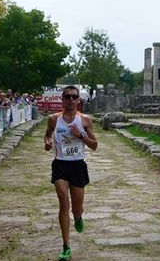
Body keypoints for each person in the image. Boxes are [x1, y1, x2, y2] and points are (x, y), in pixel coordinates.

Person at [44, 85, 98, 261]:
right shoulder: (53, 119)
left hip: (77, 166)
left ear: (78, 100)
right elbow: (47, 135)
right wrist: (48, 142)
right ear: (62, 99)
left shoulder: (85, 120)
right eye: (67, 96)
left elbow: (94, 145)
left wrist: (80, 135)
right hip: (60, 165)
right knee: (63, 204)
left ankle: (78, 216)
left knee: (76, 208)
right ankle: (66, 247)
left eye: (74, 97)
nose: (71, 100)